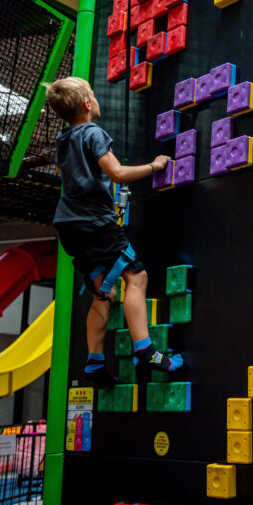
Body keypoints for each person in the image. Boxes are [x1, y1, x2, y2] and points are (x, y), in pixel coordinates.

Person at [46, 76, 183, 388]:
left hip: (69, 226)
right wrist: (155, 166)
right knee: (137, 277)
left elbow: (62, 171)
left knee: (102, 292)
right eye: (93, 94)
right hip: (95, 222)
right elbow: (118, 174)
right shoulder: (92, 132)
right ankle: (145, 350)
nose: (96, 99)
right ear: (87, 104)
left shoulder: (63, 139)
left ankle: (95, 361)